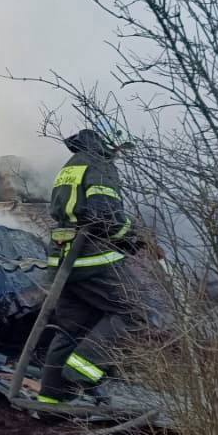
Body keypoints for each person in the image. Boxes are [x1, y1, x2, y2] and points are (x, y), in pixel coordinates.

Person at [37, 120, 141, 405]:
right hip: (93, 257)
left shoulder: (72, 164)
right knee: (137, 311)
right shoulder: (100, 164)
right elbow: (104, 214)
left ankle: (50, 402)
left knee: (73, 327)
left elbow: (73, 212)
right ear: (109, 141)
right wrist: (135, 238)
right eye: (118, 146)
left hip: (64, 260)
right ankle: (83, 373)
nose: (119, 153)